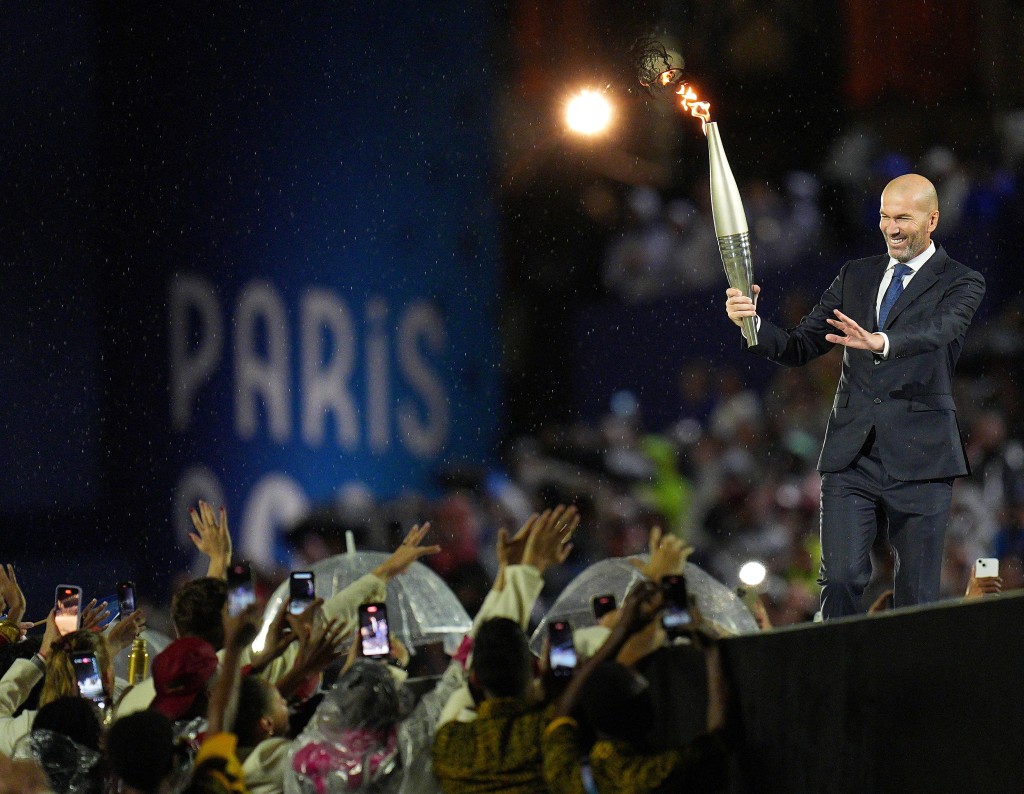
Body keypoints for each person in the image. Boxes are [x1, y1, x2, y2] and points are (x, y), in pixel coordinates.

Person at [726, 173, 985, 618]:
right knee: (841, 580)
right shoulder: (855, 275)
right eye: (885, 217)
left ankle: (909, 685)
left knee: (917, 598)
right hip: (852, 455)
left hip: (922, 456)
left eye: (904, 217)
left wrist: (881, 342)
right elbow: (800, 345)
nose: (892, 228)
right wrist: (752, 324)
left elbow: (940, 331)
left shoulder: (962, 282)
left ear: (933, 219)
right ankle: (837, 681)